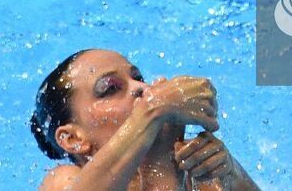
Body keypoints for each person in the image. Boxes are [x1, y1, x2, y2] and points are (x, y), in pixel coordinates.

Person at [30, 49, 259, 191]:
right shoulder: (63, 180)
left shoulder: (194, 174)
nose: (142, 88)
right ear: (72, 138)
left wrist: (231, 172)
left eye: (138, 78)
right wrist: (160, 156)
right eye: (110, 89)